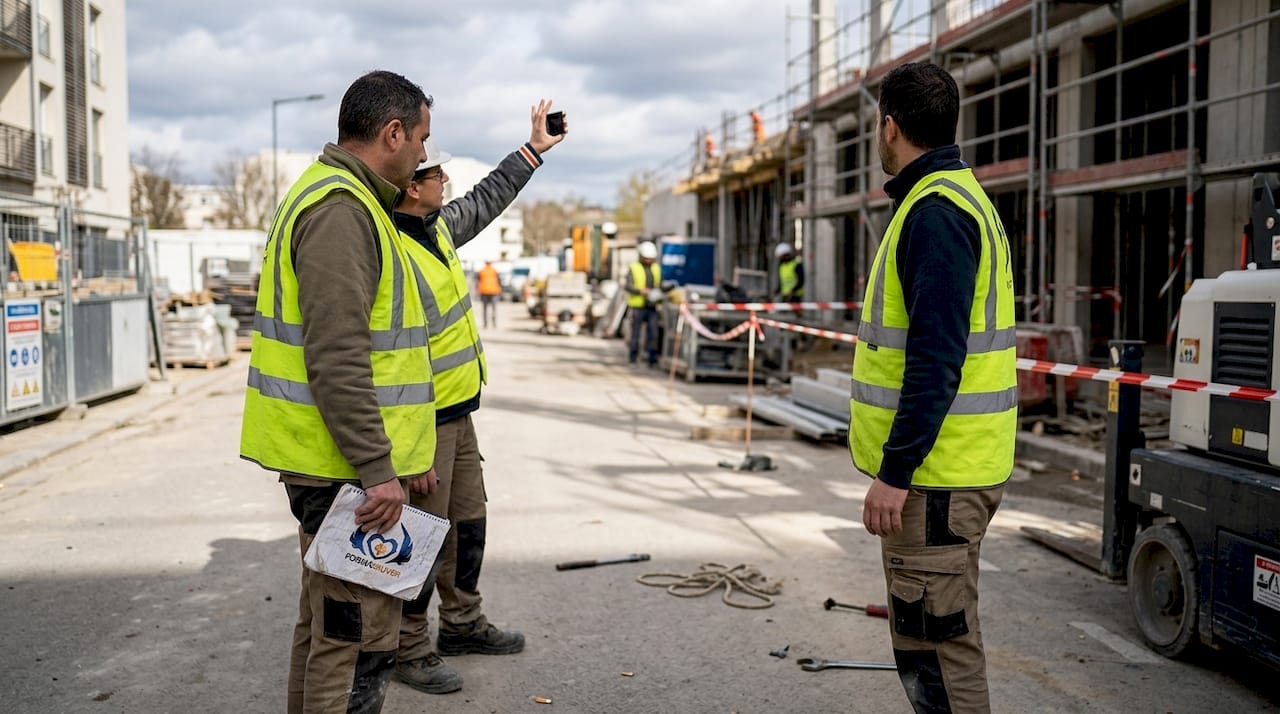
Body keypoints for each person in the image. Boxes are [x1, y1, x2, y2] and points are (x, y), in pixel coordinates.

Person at [240, 70, 438, 714]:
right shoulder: (341, 210)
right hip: (346, 474)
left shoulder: (339, 198)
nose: (423, 157)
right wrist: (380, 471)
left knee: (326, 628)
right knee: (354, 641)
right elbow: (338, 355)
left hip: (340, 467)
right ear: (392, 131)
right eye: (421, 140)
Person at [847, 61, 1016, 714]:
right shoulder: (955, 196)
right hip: (952, 467)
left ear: (889, 127)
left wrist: (896, 472)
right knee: (932, 644)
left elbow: (936, 359)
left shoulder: (937, 212)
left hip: (937, 479)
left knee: (939, 656)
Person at [390, 101, 567, 696]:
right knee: (419, 537)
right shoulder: (389, 247)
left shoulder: (434, 228)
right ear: (413, 190)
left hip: (459, 412)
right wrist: (403, 450)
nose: (445, 181)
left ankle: (462, 622)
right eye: (437, 173)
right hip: (421, 421)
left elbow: (489, 196)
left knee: (468, 526)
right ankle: (408, 649)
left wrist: (533, 149)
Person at [625, 241, 663, 367]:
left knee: (653, 334)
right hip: (638, 306)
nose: (648, 260)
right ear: (641, 256)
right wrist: (640, 291)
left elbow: (660, 285)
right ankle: (633, 359)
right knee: (635, 334)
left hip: (652, 306)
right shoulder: (634, 267)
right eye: (646, 258)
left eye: (650, 258)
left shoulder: (656, 269)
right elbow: (628, 285)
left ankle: (652, 360)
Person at [476, 260, 502, 328]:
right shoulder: (494, 270)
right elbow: (499, 280)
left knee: (485, 309)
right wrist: (500, 290)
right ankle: (494, 323)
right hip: (494, 291)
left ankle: (485, 324)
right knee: (494, 308)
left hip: (484, 291)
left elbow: (478, 280)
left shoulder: (481, 271)